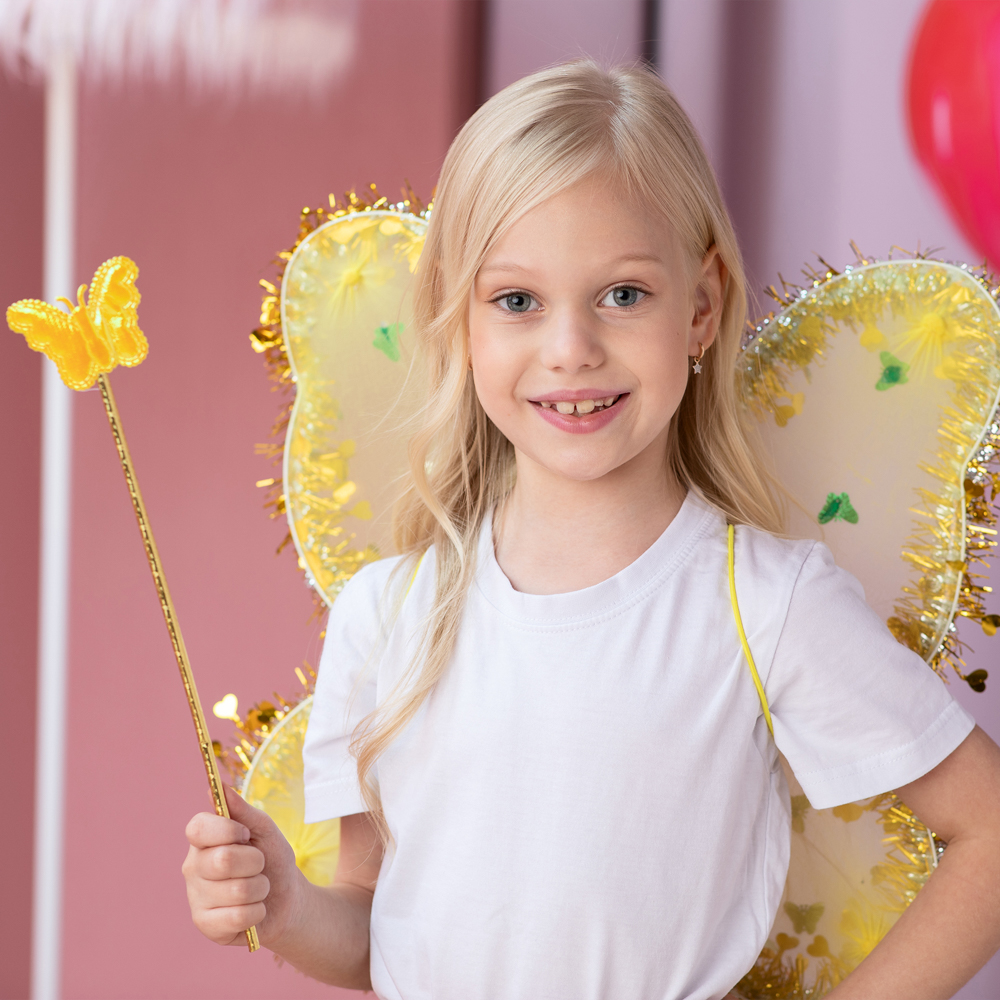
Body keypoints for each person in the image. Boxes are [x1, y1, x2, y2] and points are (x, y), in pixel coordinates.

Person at [181, 61, 1000, 999]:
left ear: (700, 307)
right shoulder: (387, 614)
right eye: (517, 301)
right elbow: (375, 929)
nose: (570, 347)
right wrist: (285, 907)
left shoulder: (765, 605)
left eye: (622, 294)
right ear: (460, 323)